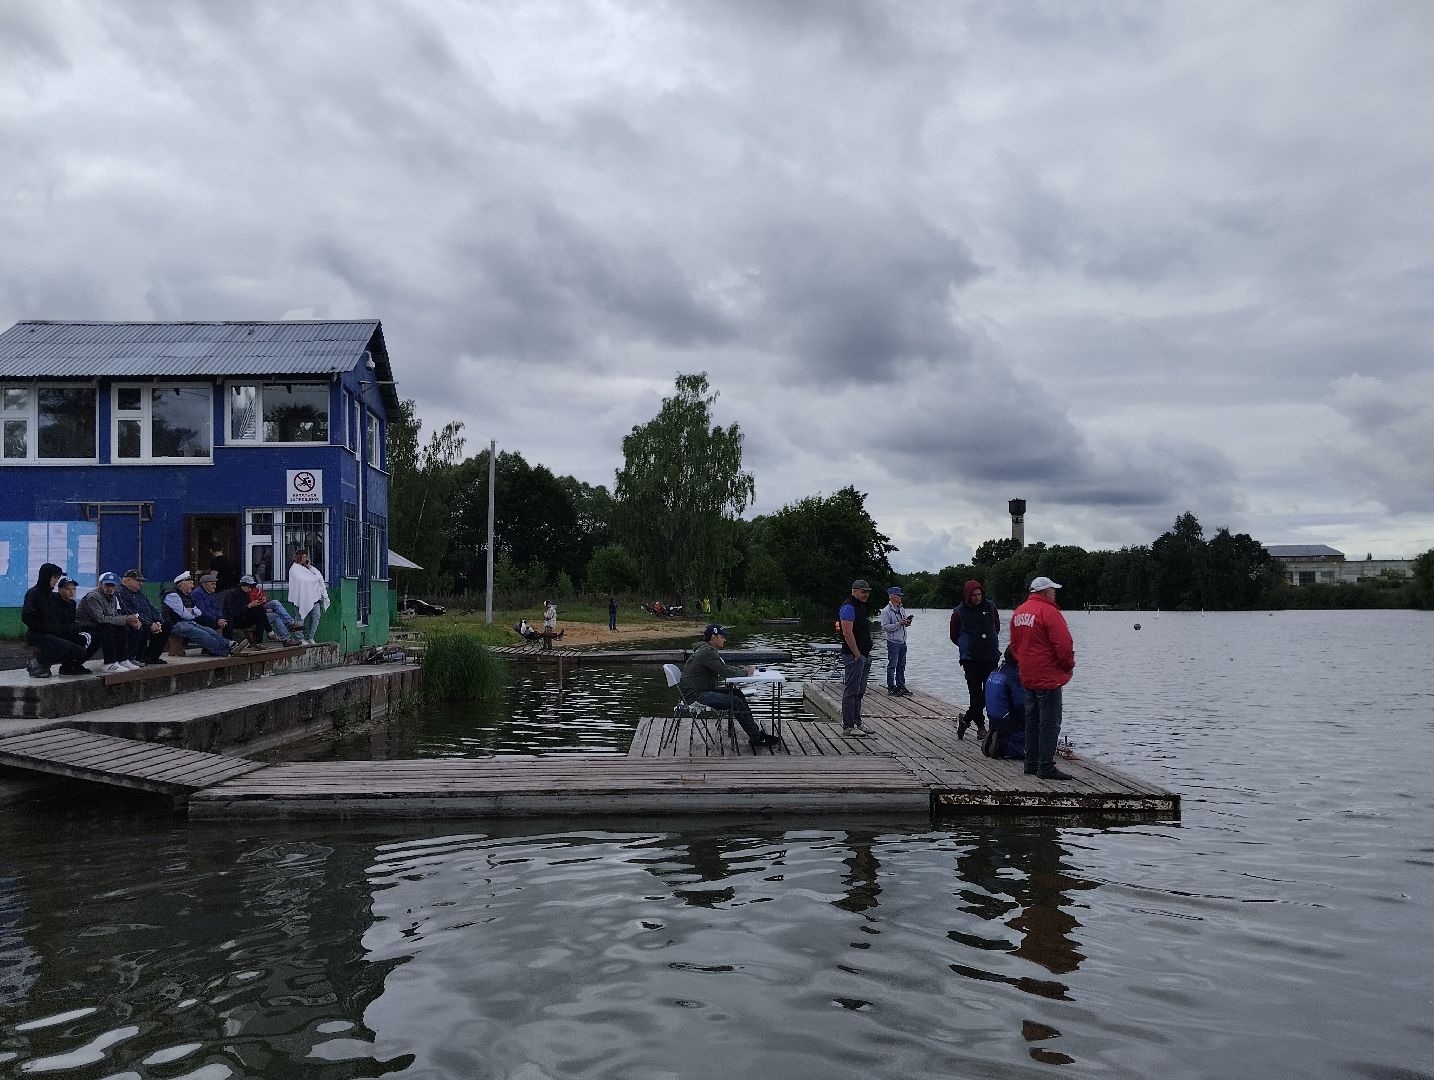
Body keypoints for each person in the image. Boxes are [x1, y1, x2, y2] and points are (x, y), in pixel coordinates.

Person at [1009, 576, 1076, 780]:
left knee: (1032, 720)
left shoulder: (1019, 611)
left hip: (1028, 674)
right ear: (1045, 592)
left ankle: (1030, 763)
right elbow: (1063, 644)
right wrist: (1067, 665)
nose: (1055, 594)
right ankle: (1045, 766)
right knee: (1050, 722)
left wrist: (1024, 662)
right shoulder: (1049, 612)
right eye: (1053, 590)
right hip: (1048, 676)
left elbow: (1014, 645)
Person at [679, 624, 781, 748]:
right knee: (735, 701)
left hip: (699, 691)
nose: (724, 640)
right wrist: (745, 672)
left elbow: (723, 667)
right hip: (696, 696)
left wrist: (742, 670)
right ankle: (756, 737)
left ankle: (755, 734)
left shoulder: (705, 649)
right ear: (713, 637)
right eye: (722, 637)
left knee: (737, 693)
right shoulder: (707, 651)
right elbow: (725, 672)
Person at [951, 579, 1002, 740]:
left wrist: (989, 642)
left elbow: (997, 627)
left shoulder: (990, 607)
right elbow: (954, 636)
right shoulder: (958, 612)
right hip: (971, 658)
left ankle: (965, 720)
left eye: (979, 594)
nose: (978, 598)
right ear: (968, 595)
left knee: (990, 692)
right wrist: (967, 645)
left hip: (990, 656)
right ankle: (981, 727)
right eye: (974, 595)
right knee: (975, 693)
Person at [21, 562, 88, 678]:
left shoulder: (51, 596)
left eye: (57, 578)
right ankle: (37, 663)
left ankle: (47, 664)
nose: (56, 580)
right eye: (54, 577)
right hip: (36, 634)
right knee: (63, 645)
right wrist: (45, 628)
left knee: (79, 651)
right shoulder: (33, 593)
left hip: (53, 633)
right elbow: (27, 616)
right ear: (46, 576)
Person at [164, 572, 245, 657]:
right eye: (190, 584)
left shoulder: (186, 595)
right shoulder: (172, 595)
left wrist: (190, 611)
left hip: (187, 622)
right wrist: (191, 611)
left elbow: (198, 611)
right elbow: (185, 614)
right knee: (201, 634)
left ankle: (230, 644)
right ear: (182, 584)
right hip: (174, 623)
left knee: (208, 630)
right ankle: (225, 650)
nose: (192, 586)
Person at [77, 572, 141, 672]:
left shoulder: (113, 597)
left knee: (122, 627)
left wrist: (129, 620)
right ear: (100, 584)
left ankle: (122, 659)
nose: (110, 588)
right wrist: (125, 619)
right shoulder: (93, 596)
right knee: (108, 627)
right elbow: (100, 619)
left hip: (99, 625)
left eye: (112, 585)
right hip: (85, 625)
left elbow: (114, 616)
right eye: (107, 585)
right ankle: (109, 662)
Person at [837, 579, 875, 737]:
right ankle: (848, 726)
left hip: (864, 655)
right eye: (863, 591)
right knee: (851, 691)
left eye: (867, 592)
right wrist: (857, 654)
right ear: (854, 591)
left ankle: (857, 722)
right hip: (854, 656)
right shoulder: (848, 606)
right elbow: (847, 632)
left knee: (860, 691)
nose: (866, 594)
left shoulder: (860, 606)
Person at [226, 574, 302, 645]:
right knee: (261, 613)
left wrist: (262, 602)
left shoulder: (252, 591)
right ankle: (269, 635)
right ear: (243, 585)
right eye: (249, 587)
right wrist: (250, 606)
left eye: (252, 587)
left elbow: (256, 604)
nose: (250, 589)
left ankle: (287, 638)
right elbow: (234, 611)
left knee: (273, 612)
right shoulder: (233, 594)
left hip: (254, 614)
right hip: (240, 619)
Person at [982, 647, 1028, 760]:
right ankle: (1003, 746)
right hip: (1009, 723)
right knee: (1036, 749)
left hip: (994, 720)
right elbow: (1022, 706)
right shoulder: (1015, 677)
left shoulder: (995, 671)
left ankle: (997, 739)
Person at [116, 569, 168, 666]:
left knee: (167, 625)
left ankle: (152, 656)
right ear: (127, 580)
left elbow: (152, 608)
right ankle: (135, 657)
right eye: (138, 581)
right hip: (134, 621)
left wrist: (158, 621)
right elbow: (128, 611)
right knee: (140, 626)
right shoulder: (121, 593)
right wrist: (150, 623)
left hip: (149, 621)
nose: (141, 584)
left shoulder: (139, 593)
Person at [287, 549, 329, 644]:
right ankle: (300, 638)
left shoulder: (308, 568)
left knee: (316, 617)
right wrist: (313, 579)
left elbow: (319, 576)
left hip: (314, 597)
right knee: (300, 618)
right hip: (301, 597)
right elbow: (302, 580)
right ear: (299, 557)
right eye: (304, 557)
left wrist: (309, 567)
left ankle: (310, 636)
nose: (305, 559)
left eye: (306, 557)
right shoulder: (294, 569)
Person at [879, 586, 914, 696]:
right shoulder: (886, 611)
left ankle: (901, 686)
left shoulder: (902, 609)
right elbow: (885, 627)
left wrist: (907, 623)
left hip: (903, 642)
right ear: (892, 596)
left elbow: (902, 624)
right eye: (898, 595)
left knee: (901, 665)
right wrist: (899, 624)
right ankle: (891, 687)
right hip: (893, 642)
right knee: (892, 665)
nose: (900, 597)